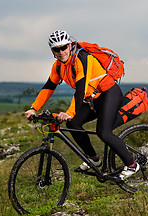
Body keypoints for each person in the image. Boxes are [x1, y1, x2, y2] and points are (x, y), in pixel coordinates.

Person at [24, 30, 139, 180]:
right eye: (56, 49)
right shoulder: (58, 66)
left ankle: (131, 164)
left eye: (64, 47)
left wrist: (70, 112)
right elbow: (49, 87)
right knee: (73, 123)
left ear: (70, 45)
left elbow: (81, 89)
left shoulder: (82, 58)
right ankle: (94, 159)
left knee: (103, 132)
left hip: (108, 93)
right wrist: (34, 108)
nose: (61, 52)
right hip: (91, 98)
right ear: (52, 50)